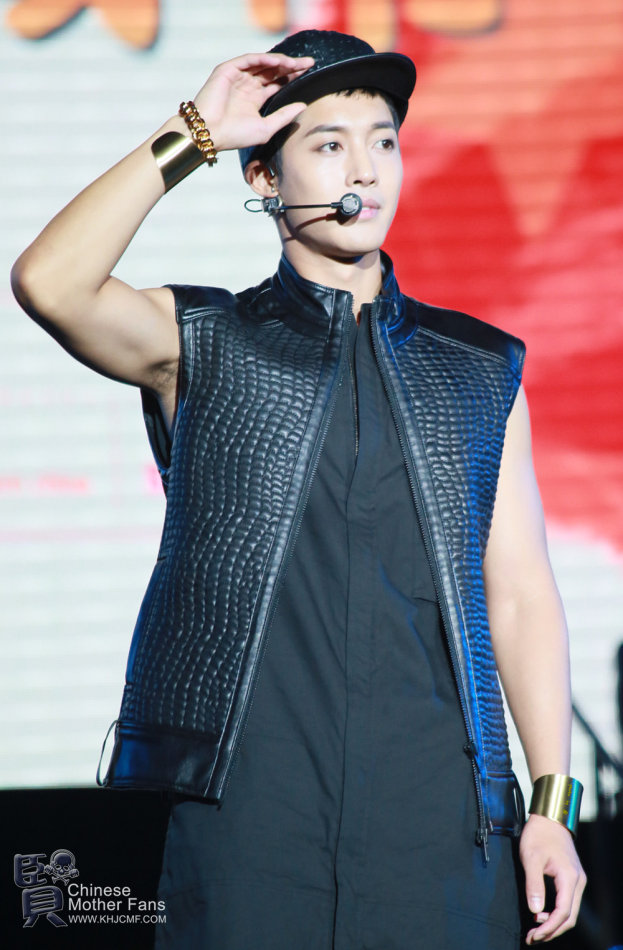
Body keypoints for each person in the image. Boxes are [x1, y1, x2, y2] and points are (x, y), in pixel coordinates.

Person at [11, 28, 585, 949]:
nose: (365, 167)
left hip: (437, 824)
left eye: (382, 141)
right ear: (264, 178)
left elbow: (518, 594)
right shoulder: (205, 340)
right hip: (245, 815)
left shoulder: (477, 369)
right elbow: (50, 282)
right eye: (327, 144)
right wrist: (196, 132)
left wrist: (551, 806)